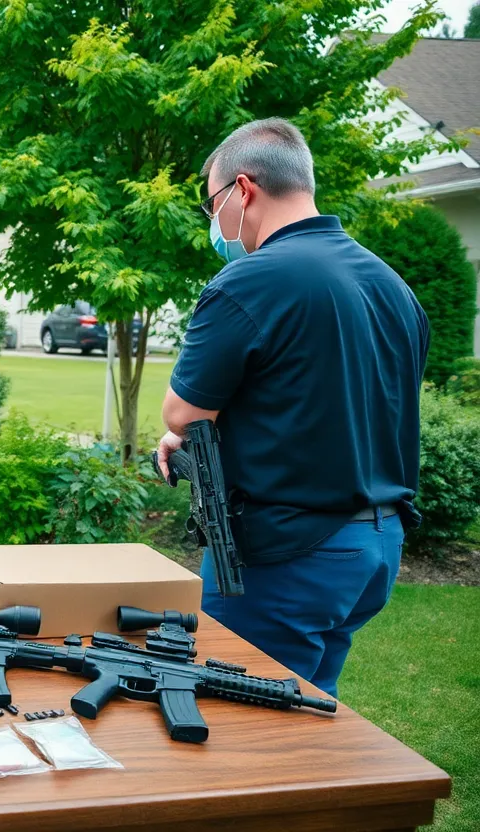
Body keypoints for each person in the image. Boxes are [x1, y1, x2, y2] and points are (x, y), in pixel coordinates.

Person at [155, 118, 429, 698]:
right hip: (375, 546)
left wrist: (190, 433)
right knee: (307, 710)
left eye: (212, 204)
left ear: (243, 191)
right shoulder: (391, 285)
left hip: (289, 554)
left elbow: (183, 414)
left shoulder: (251, 280)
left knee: (247, 725)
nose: (214, 222)